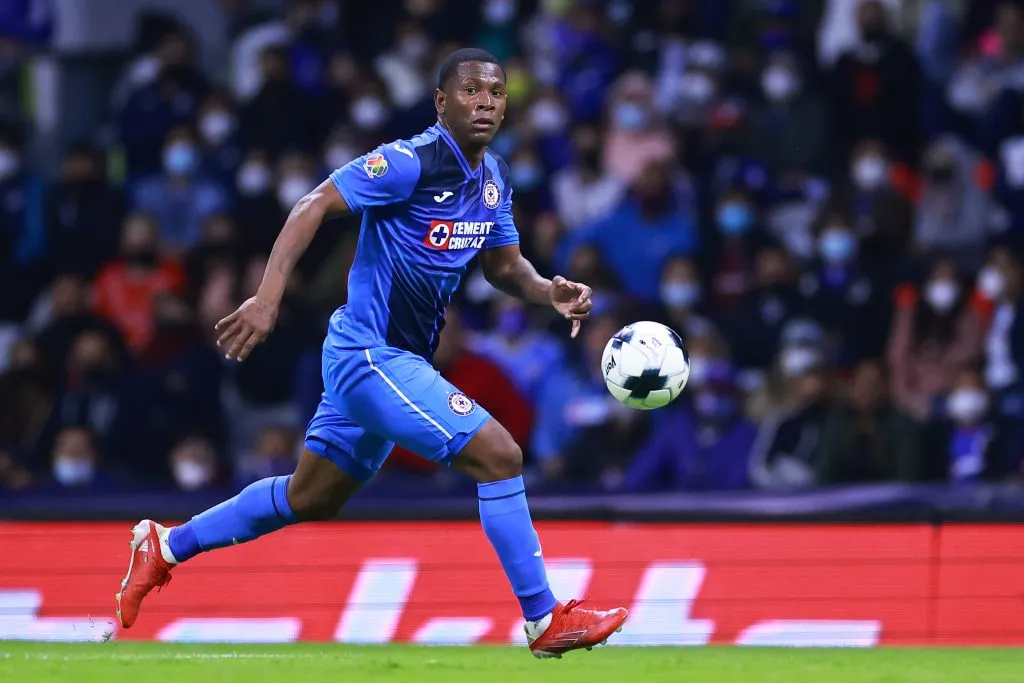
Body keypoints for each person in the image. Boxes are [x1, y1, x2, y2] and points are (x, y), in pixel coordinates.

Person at [115, 48, 627, 658]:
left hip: (394, 363)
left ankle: (166, 546)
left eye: (495, 92)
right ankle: (544, 621)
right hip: (370, 355)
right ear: (442, 101)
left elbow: (504, 266)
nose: (486, 102)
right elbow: (312, 206)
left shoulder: (494, 180)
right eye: (471, 91)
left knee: (311, 497)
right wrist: (266, 299)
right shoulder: (410, 161)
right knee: (500, 455)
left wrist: (549, 292)